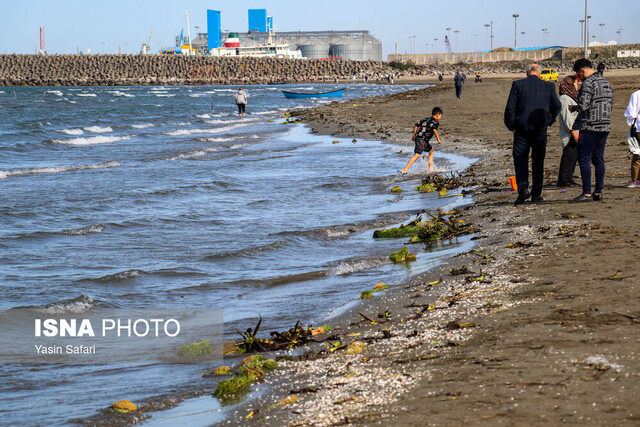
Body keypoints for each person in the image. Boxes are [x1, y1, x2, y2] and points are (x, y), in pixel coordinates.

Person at [504, 63, 561, 205]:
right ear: (540, 74)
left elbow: (510, 107)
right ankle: (536, 194)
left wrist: (512, 125)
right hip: (540, 128)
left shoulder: (518, 85)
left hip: (522, 128)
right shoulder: (548, 86)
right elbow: (557, 106)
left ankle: (523, 188)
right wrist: (549, 120)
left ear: (526, 72)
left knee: (520, 158)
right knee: (538, 160)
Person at [569, 58, 614, 202]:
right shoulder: (607, 82)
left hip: (590, 126)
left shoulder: (588, 83)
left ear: (582, 71)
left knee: (584, 158)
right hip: (605, 125)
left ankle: (587, 193)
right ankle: (598, 192)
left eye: (578, 75)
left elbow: (584, 106)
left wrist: (573, 108)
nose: (579, 78)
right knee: (599, 159)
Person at [399, 107, 443, 175]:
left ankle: (431, 170)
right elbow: (435, 130)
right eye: (440, 116)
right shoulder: (435, 122)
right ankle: (405, 170)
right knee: (417, 155)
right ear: (437, 115)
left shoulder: (425, 119)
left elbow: (416, 125)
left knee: (431, 152)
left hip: (422, 139)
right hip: (421, 139)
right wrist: (438, 139)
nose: (440, 118)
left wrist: (414, 135)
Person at [556, 76, 580, 187]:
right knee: (568, 155)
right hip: (569, 132)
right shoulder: (565, 98)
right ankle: (563, 180)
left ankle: (569, 178)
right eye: (575, 83)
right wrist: (573, 131)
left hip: (574, 130)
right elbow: (567, 116)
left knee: (573, 156)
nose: (577, 85)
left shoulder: (571, 97)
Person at [624, 88, 640, 187]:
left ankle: (636, 180)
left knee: (637, 155)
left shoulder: (636, 94)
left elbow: (631, 113)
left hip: (639, 128)